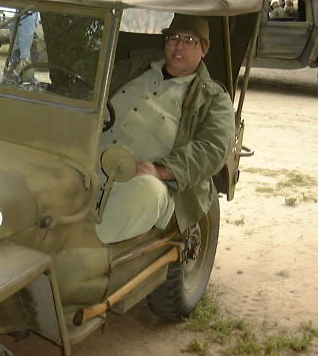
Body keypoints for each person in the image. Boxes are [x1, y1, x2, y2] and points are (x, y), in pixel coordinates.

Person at [95, 14, 235, 244]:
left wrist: (162, 170)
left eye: (190, 41)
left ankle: (87, 252)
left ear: (204, 50)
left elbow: (213, 149)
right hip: (90, 163)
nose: (179, 46)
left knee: (145, 193)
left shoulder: (213, 98)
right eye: (174, 38)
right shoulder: (130, 69)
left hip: (143, 180)